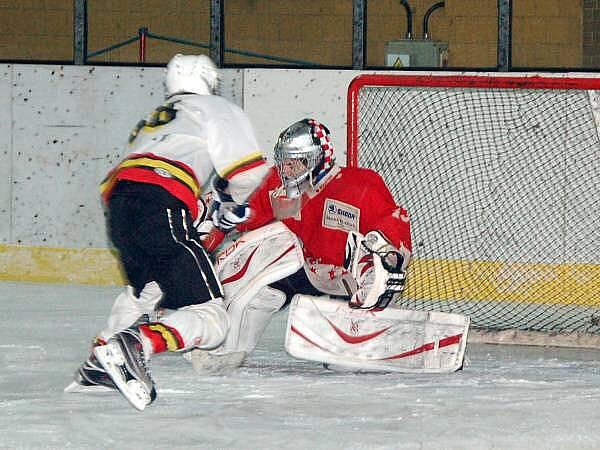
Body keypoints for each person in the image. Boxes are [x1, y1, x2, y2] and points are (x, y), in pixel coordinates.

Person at [65, 53, 268, 410]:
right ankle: (137, 344)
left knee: (145, 288)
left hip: (120, 204)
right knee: (213, 319)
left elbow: (145, 172)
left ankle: (100, 362)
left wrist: (205, 208)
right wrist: (227, 204)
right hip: (161, 200)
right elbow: (249, 173)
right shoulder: (215, 107)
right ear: (209, 81)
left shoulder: (156, 120)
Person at [196, 118, 412, 369]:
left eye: (295, 163)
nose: (286, 171)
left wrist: (389, 255)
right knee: (268, 245)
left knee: (372, 247)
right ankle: (229, 347)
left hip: (346, 282)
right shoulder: (277, 186)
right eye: (284, 162)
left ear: (319, 159)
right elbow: (240, 212)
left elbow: (393, 222)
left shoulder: (359, 184)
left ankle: (369, 322)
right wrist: (207, 229)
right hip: (306, 270)